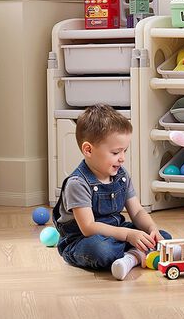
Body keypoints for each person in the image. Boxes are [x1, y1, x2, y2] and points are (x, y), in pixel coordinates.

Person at [52, 104, 171, 280]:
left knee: (163, 237)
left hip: (117, 232)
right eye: (116, 152)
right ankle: (136, 254)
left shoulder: (121, 176)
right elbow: (88, 227)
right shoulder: (77, 183)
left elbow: (137, 211)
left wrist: (151, 228)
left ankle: (130, 258)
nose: (122, 158)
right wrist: (129, 235)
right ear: (88, 150)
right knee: (101, 250)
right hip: (83, 240)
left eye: (125, 151)